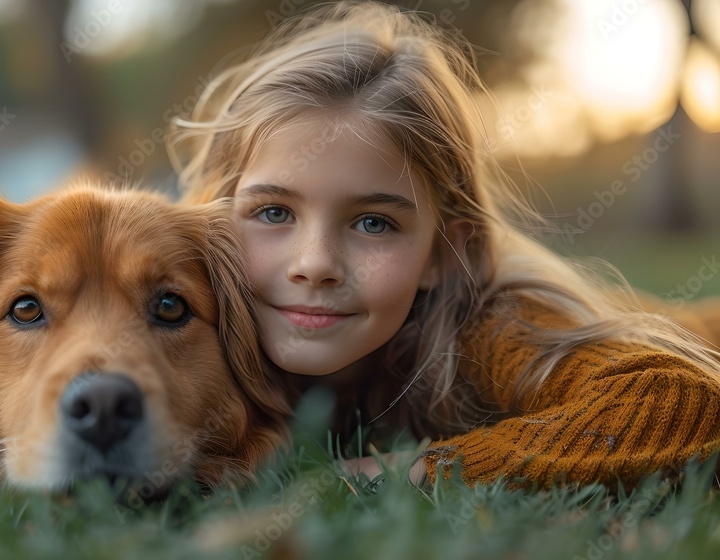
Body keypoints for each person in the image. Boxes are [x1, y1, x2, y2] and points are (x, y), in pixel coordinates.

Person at [166, 1, 720, 489]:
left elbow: (679, 400)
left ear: (440, 253)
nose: (315, 265)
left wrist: (405, 471)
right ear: (211, 221)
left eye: (373, 224)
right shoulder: (191, 324)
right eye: (274, 212)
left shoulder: (493, 326)